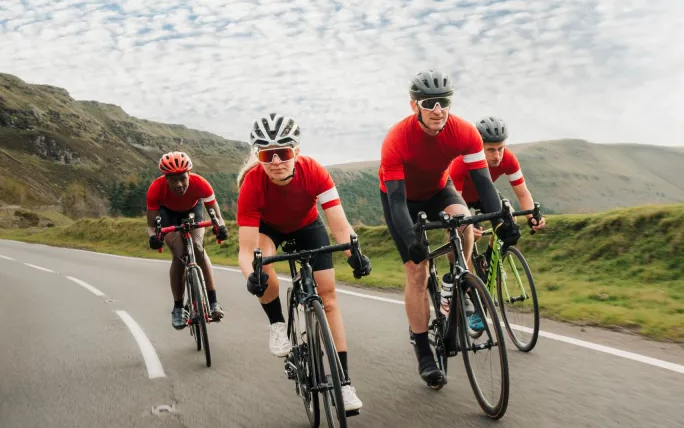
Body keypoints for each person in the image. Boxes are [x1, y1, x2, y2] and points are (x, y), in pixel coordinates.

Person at [378, 69, 521, 389]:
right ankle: (423, 350)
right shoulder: (397, 139)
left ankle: (455, 278)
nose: (438, 109)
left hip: (439, 190)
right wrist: (411, 239)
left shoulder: (465, 132)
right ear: (414, 105)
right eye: (429, 103)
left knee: (463, 222)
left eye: (444, 101)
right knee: (417, 270)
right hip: (400, 199)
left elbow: (484, 186)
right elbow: (399, 204)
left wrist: (500, 222)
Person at [236, 112, 371, 412]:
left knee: (329, 298)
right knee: (263, 264)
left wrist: (355, 255)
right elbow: (246, 251)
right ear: (257, 156)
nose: (275, 161)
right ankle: (277, 324)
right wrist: (250, 276)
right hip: (268, 230)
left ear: (296, 151)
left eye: (282, 152)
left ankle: (344, 383)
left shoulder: (315, 172)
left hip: (308, 226)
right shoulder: (252, 184)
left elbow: (339, 226)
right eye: (266, 154)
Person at [449, 115, 547, 269]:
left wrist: (532, 217)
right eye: (491, 150)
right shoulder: (461, 162)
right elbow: (455, 201)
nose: (497, 156)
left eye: (500, 148)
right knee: (465, 235)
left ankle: (488, 262)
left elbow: (522, 193)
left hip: (486, 194)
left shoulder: (508, 158)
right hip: (459, 198)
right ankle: (466, 282)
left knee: (510, 219)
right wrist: (466, 226)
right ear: (479, 147)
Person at [145, 151, 229, 330]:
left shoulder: (201, 184)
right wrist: (153, 237)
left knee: (198, 249)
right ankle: (178, 308)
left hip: (193, 211)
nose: (179, 184)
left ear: (189, 174)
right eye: (173, 180)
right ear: (165, 179)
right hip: (168, 215)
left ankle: (213, 301)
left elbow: (217, 216)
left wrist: (220, 228)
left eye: (183, 178)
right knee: (180, 255)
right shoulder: (156, 189)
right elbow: (151, 225)